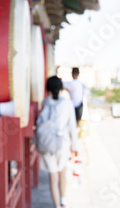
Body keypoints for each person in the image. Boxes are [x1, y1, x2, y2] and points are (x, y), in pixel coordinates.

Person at [39, 76, 79, 208]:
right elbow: (72, 126)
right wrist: (75, 146)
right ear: (61, 87)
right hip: (62, 143)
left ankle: (56, 205)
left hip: (46, 143)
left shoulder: (45, 102)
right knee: (62, 172)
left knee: (53, 177)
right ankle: (63, 201)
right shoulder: (67, 103)